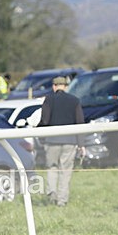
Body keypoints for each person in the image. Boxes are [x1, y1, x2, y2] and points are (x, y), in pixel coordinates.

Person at [37, 76, 85, 207]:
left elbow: (45, 121)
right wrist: (81, 144)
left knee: (52, 168)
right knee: (66, 171)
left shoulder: (48, 99)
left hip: (52, 140)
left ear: (54, 86)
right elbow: (80, 122)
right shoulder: (74, 101)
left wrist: (39, 134)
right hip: (69, 141)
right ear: (66, 86)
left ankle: (52, 193)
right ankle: (62, 200)